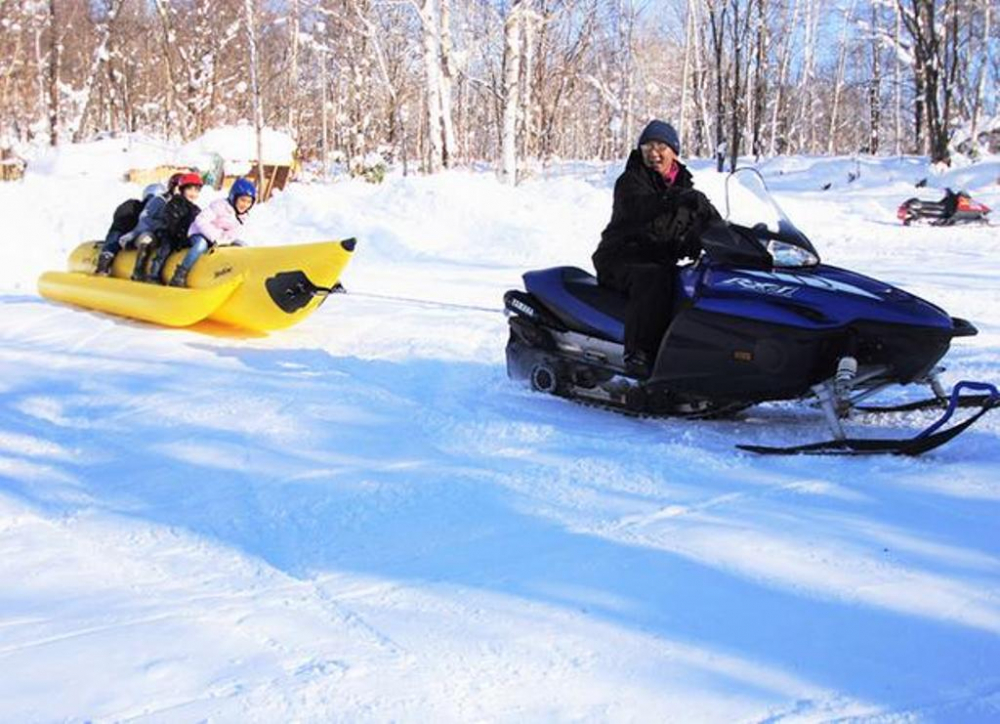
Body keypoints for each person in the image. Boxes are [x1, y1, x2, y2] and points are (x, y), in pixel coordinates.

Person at [592, 120, 719, 378]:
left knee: (696, 283)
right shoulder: (631, 180)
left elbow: (707, 223)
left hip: (657, 258)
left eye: (661, 146)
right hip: (621, 257)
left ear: (674, 151)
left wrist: (727, 237)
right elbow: (640, 208)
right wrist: (675, 198)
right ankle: (638, 354)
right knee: (655, 278)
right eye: (648, 146)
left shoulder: (685, 188)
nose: (654, 152)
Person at [169, 178, 256, 288]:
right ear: (234, 197)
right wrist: (215, 237)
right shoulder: (219, 206)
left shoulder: (243, 217)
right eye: (242, 200)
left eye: (249, 202)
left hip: (219, 239)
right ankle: (180, 274)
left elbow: (233, 233)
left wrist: (225, 240)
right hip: (199, 233)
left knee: (241, 245)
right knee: (201, 245)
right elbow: (201, 220)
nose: (245, 205)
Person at [136, 172, 204, 283]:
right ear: (182, 190)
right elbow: (171, 220)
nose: (193, 193)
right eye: (190, 189)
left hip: (184, 236)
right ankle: (154, 273)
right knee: (165, 248)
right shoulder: (174, 203)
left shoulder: (196, 209)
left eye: (196, 190)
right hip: (170, 233)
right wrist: (179, 233)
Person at [95, 183, 164, 276]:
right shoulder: (134, 206)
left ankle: (106, 258)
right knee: (118, 234)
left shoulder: (134, 206)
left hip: (136, 236)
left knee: (118, 233)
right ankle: (106, 258)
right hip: (134, 235)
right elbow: (120, 223)